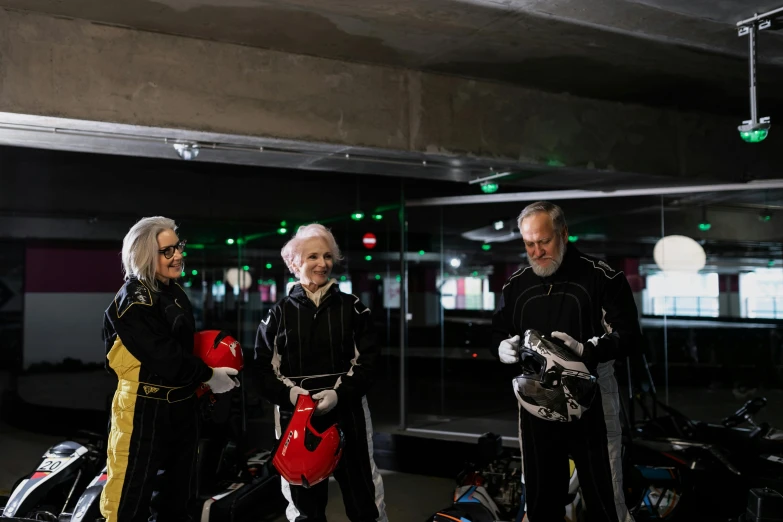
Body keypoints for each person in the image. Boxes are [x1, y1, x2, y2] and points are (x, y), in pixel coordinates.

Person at [491, 201, 641, 522]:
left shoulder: (602, 278)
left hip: (593, 402)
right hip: (536, 404)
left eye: (543, 241)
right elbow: (498, 330)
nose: (536, 251)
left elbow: (629, 336)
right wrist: (501, 347)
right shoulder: (516, 285)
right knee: (541, 501)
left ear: (564, 234)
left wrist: (588, 350)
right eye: (529, 244)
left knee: (606, 500)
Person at [101, 216, 240, 522]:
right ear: (143, 254)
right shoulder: (134, 298)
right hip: (142, 406)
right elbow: (162, 354)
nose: (178, 255)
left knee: (178, 497)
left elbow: (182, 349)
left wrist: (202, 383)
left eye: (178, 247)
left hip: (181, 405)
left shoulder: (173, 292)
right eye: (167, 251)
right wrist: (207, 375)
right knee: (128, 497)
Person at [254, 223, 387, 522]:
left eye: (327, 256)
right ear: (294, 263)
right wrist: (291, 395)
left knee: (364, 498)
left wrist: (338, 395)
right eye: (313, 256)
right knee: (304, 506)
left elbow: (370, 363)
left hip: (348, 413)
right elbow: (261, 370)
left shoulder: (354, 309)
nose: (322, 264)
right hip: (295, 418)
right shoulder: (277, 315)